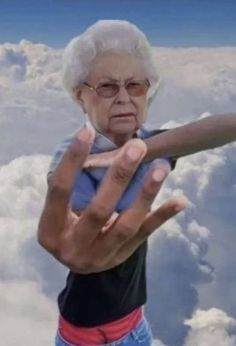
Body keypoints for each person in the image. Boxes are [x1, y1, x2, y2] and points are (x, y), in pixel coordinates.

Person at [38, 20, 236, 346]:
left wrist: (143, 150)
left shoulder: (148, 147)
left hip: (136, 325)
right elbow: (60, 190)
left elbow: (216, 129)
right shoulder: (76, 157)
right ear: (79, 96)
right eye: (106, 87)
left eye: (135, 86)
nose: (123, 97)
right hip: (88, 337)